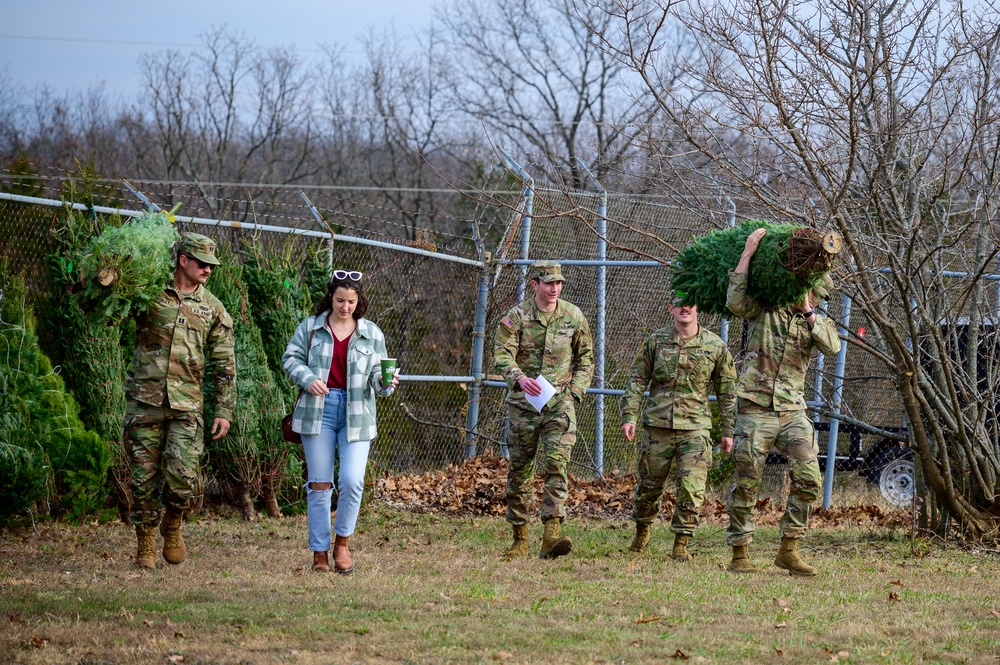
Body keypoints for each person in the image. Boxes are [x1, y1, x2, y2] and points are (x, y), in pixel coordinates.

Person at [725, 228, 841, 576]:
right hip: (756, 406)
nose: (811, 296)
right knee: (748, 480)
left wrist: (807, 311)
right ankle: (740, 553)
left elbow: (832, 347)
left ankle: (789, 549)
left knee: (809, 478)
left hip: (792, 410)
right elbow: (735, 303)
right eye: (807, 290)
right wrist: (747, 254)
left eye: (815, 293)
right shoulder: (766, 309)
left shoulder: (815, 322)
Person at [125, 232, 236, 570]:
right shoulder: (149, 293)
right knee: (142, 479)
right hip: (145, 402)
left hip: (187, 406)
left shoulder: (213, 308)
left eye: (212, 265)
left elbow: (224, 363)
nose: (208, 270)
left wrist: (224, 409)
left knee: (183, 478)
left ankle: (172, 524)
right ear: (183, 260)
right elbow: (111, 314)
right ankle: (145, 539)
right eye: (202, 263)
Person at [282, 270, 399, 574]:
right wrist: (308, 379)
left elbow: (379, 375)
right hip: (317, 411)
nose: (345, 307)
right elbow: (290, 359)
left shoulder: (372, 333)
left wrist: (385, 382)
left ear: (359, 301)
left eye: (351, 301)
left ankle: (342, 544)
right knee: (319, 484)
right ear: (330, 298)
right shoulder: (311, 327)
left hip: (357, 413)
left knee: (352, 480)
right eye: (339, 300)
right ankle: (319, 551)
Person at [620, 299, 736, 559]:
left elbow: (727, 391)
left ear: (698, 308)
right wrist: (629, 416)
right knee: (649, 487)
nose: (686, 308)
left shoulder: (715, 346)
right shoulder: (656, 341)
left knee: (692, 489)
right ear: (670, 308)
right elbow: (637, 380)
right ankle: (642, 532)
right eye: (679, 303)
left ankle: (681, 543)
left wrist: (728, 431)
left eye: (691, 303)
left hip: (695, 429)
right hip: (658, 428)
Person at [493, 260, 594, 560]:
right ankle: (520, 538)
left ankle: (551, 535)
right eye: (548, 283)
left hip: (559, 405)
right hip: (523, 407)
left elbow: (586, 358)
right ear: (535, 284)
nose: (554, 288)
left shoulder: (573, 316)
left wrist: (574, 393)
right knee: (520, 469)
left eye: (558, 283)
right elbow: (502, 352)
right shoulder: (517, 317)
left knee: (556, 464)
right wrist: (519, 378)